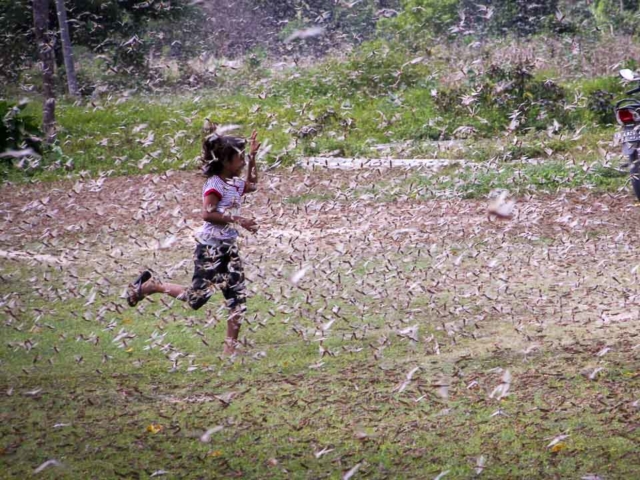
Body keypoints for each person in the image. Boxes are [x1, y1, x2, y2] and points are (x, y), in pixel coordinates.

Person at [126, 121, 260, 355]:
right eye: (240, 158)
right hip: (210, 250)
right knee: (196, 299)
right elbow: (207, 214)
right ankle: (152, 286)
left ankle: (230, 350)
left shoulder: (233, 182)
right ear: (226, 161)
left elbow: (253, 185)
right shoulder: (214, 185)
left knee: (237, 298)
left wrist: (253, 157)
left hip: (229, 248)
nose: (243, 162)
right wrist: (240, 221)